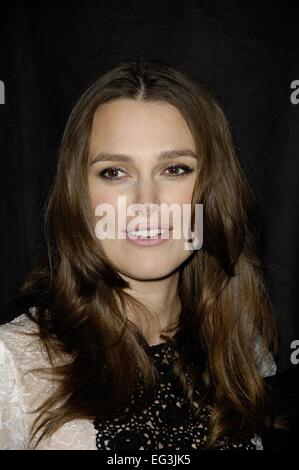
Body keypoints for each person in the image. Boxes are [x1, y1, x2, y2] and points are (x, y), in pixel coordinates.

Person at [0, 59, 280, 450]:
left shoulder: (243, 348)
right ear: (78, 196)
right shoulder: (10, 368)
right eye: (115, 172)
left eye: (176, 169)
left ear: (213, 192)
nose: (146, 203)